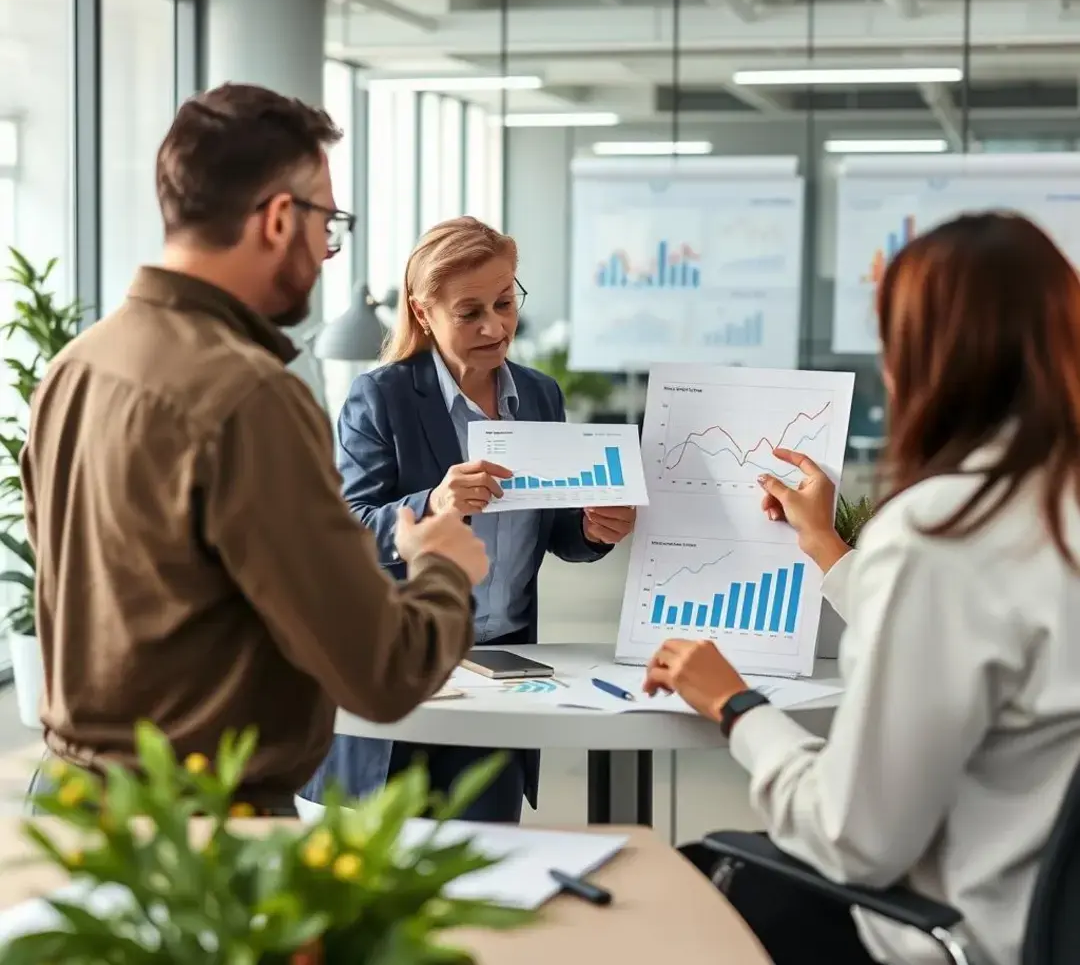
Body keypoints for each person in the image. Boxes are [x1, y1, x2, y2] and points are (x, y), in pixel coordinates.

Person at [20, 83, 489, 813]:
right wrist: (441, 569)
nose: (328, 251)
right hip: (198, 841)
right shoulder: (249, 398)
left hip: (76, 808)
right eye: (327, 223)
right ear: (277, 218)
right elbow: (380, 672)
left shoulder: (77, 366)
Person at [646, 213, 1080, 965]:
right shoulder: (1049, 507)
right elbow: (975, 640)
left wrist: (737, 707)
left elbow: (854, 843)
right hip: (1051, 930)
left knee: (661, 888)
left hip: (948, 937)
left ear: (923, 358)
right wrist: (825, 545)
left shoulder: (944, 535)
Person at [300, 216, 637, 822]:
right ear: (423, 312)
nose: (495, 326)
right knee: (390, 885)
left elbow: (556, 526)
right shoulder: (382, 397)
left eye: (505, 302)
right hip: (405, 669)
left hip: (506, 668)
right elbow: (346, 532)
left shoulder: (538, 396)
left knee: (489, 871)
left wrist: (592, 528)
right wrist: (432, 503)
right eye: (470, 312)